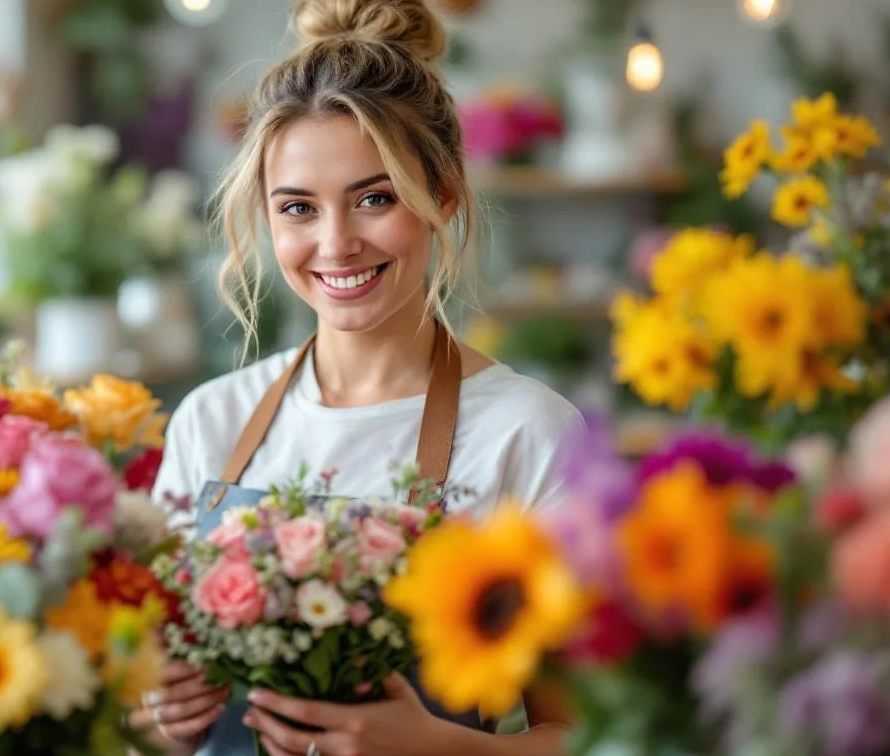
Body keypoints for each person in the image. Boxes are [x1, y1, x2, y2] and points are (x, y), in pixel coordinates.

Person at [134, 0, 585, 754]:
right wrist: (154, 719)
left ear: (441, 195)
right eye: (298, 208)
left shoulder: (526, 435)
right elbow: (139, 714)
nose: (336, 244)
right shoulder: (211, 422)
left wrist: (441, 748)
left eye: (374, 199)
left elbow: (589, 734)